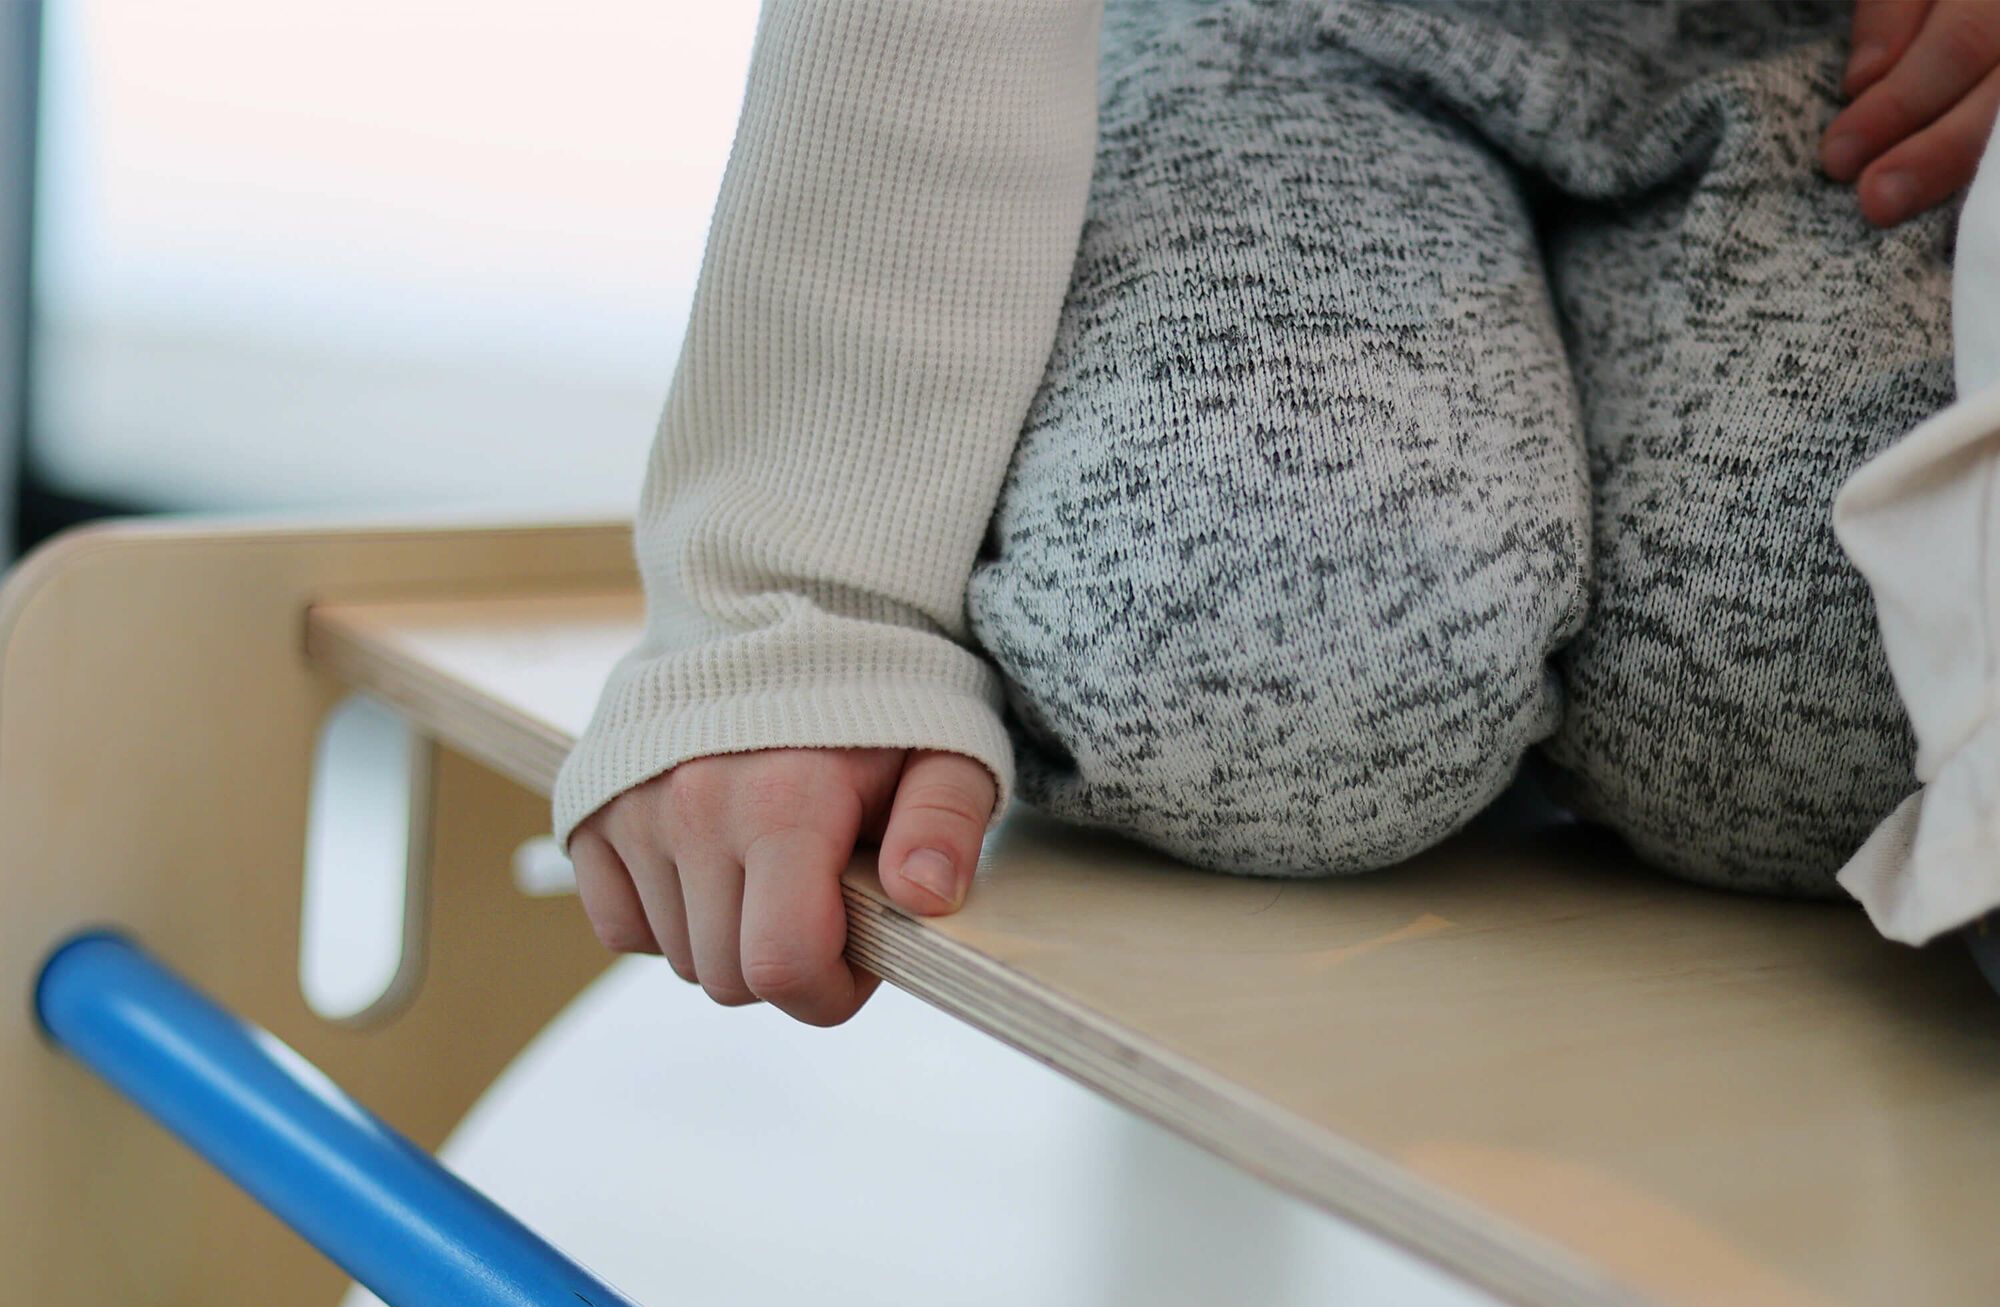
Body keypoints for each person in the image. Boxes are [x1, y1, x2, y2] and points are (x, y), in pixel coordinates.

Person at [558, 0, 1999, 1028]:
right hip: (1275, 27)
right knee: (1248, 644)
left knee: (1836, 710)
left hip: (1858, 56)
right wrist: (803, 604)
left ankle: (1544, 626)